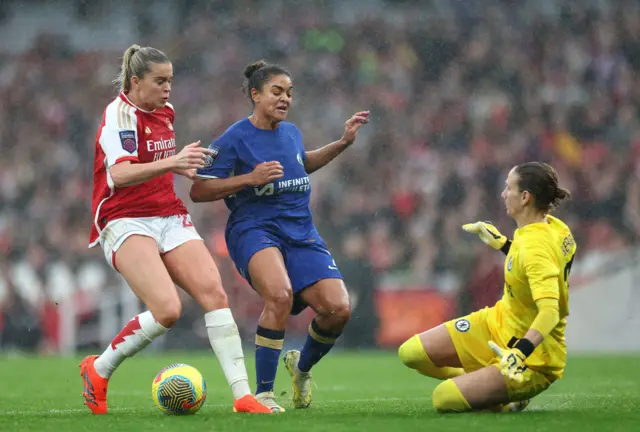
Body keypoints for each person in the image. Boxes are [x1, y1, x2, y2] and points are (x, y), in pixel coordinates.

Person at [81, 44, 270, 415]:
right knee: (167, 310)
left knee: (214, 293)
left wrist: (180, 166)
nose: (168, 88)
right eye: (160, 81)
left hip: (168, 213)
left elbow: (156, 162)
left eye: (171, 80)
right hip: (124, 218)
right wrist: (173, 160)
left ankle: (243, 397)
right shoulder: (119, 114)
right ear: (135, 81)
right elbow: (118, 174)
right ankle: (98, 368)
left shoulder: (165, 111)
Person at [190, 60, 370, 412]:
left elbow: (303, 162)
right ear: (255, 95)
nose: (285, 98)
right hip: (253, 230)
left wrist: (343, 143)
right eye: (277, 91)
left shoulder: (291, 133)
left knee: (338, 310)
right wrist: (249, 179)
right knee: (280, 295)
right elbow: (199, 189)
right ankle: (263, 394)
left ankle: (301, 370)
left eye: (289, 93)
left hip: (301, 232)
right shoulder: (235, 138)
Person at [398, 162, 576, 413]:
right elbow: (534, 262)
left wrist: (520, 352)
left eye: (509, 188)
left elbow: (550, 311)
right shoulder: (555, 227)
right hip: (498, 322)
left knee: (444, 398)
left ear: (525, 197)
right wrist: (502, 244)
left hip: (533, 358)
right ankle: (485, 380)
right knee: (411, 353)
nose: (504, 194)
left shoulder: (536, 247)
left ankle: (509, 401)